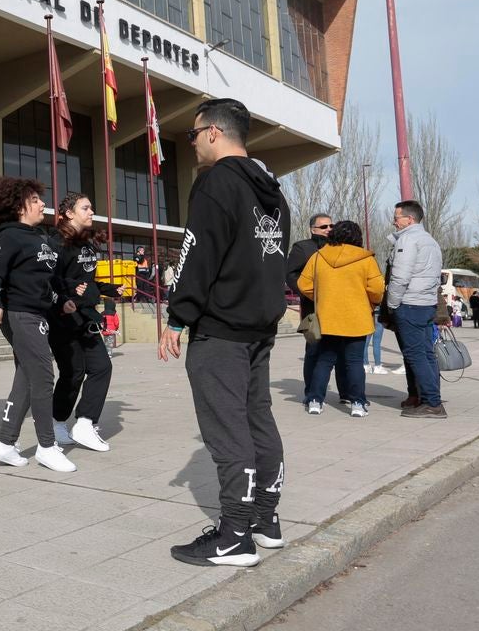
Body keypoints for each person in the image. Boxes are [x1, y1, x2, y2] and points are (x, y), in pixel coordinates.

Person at [158, 97, 288, 568]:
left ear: (213, 132)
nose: (191, 144)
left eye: (193, 135)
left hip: (222, 329)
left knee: (227, 426)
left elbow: (198, 253)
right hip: (259, 324)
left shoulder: (216, 183)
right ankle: (265, 519)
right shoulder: (271, 188)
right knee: (257, 418)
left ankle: (234, 534)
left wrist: (178, 316)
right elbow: (273, 257)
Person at [0, 175, 76, 473]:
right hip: (19, 315)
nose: (42, 204)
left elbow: (44, 280)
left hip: (39, 314)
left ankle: (5, 443)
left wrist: (61, 299)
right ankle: (47, 447)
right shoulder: (9, 237)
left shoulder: (39, 237)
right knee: (45, 377)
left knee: (27, 376)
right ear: (20, 205)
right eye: (35, 200)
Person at [50, 193, 124, 452]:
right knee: (73, 373)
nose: (92, 211)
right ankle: (56, 423)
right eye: (86, 207)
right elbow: (49, 280)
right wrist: (69, 292)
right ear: (69, 213)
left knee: (102, 367)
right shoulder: (56, 243)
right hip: (63, 318)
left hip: (87, 317)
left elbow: (88, 282)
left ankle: (84, 422)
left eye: (91, 207)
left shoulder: (89, 245)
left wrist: (110, 289)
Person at [296, 221, 384, 418]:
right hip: (357, 317)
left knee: (324, 360)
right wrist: (369, 303)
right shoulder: (366, 259)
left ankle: (315, 400)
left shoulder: (318, 257)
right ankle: (357, 404)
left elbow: (303, 284)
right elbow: (377, 289)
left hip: (327, 317)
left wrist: (322, 297)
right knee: (354, 362)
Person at [382, 200, 446, 418]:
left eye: (397, 217)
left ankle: (432, 403)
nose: (394, 221)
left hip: (409, 304)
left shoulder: (408, 240)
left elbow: (399, 276)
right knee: (427, 354)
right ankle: (430, 398)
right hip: (426, 303)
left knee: (416, 355)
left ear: (409, 219)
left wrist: (392, 303)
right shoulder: (430, 240)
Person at [287, 212, 350, 405]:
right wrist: (310, 292)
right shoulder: (302, 248)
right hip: (313, 311)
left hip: (340, 310)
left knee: (342, 354)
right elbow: (290, 275)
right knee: (314, 352)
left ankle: (346, 393)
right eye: (324, 227)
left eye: (331, 226)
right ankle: (312, 393)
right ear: (312, 229)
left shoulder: (339, 247)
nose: (329, 229)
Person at [363, 305, 387, 374]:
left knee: (365, 343)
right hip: (379, 314)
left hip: (368, 315)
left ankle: (365, 365)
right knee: (377, 343)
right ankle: (377, 366)